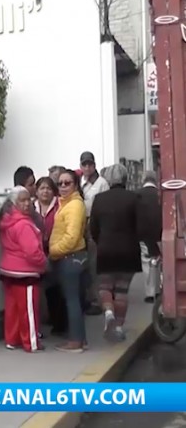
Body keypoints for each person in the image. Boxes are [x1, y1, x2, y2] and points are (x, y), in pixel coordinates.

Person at [90, 164, 142, 342]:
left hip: (106, 248)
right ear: (125, 178)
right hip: (129, 250)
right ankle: (118, 327)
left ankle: (109, 313)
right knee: (122, 290)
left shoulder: (99, 199)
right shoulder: (134, 198)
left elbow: (93, 227)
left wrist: (100, 241)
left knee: (105, 286)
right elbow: (140, 225)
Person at [0, 186, 47, 352]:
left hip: (8, 270)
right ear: (14, 203)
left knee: (12, 309)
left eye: (28, 199)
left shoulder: (5, 221)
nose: (27, 203)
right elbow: (32, 252)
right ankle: (31, 343)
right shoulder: (24, 224)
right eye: (23, 200)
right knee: (28, 310)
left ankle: (12, 340)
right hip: (25, 272)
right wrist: (44, 262)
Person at [49, 169, 89, 352]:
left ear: (76, 185)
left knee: (72, 301)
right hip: (73, 257)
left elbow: (71, 237)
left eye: (67, 183)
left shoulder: (73, 206)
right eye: (60, 183)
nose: (63, 186)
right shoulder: (68, 204)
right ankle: (80, 339)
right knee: (75, 300)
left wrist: (54, 251)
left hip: (70, 258)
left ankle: (75, 341)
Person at [80, 151, 110, 316]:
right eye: (84, 164)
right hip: (80, 225)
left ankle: (96, 301)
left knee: (94, 265)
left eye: (89, 164)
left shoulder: (101, 183)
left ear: (94, 165)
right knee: (83, 265)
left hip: (94, 224)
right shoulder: (80, 182)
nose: (87, 167)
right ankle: (87, 298)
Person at [34, 176, 65, 335]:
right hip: (37, 252)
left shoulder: (60, 206)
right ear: (37, 191)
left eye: (48, 188)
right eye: (42, 188)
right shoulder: (31, 207)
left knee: (55, 288)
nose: (45, 191)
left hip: (56, 251)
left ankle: (58, 322)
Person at [136, 171, 162, 302]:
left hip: (144, 235)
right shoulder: (160, 194)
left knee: (147, 263)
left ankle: (151, 293)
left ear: (143, 180)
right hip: (161, 233)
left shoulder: (137, 195)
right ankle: (161, 288)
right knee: (161, 261)